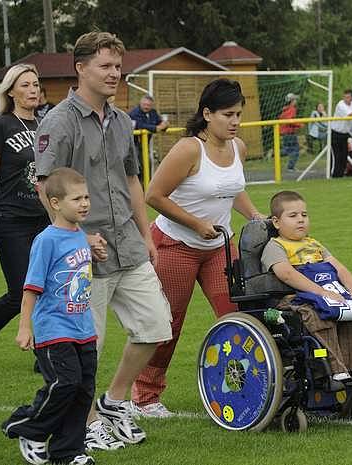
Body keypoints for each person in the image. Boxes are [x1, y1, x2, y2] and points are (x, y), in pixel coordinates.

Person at [34, 31, 172, 451]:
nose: (115, 74)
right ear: (81, 68)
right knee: (84, 345)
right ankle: (88, 421)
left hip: (127, 244)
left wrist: (146, 234)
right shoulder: (58, 122)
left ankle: (113, 403)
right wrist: (73, 236)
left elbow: (131, 179)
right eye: (106, 66)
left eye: (118, 66)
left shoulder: (123, 119)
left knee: (155, 326)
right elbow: (45, 186)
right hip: (80, 254)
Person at [131, 79, 264, 417]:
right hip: (176, 245)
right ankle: (144, 397)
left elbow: (231, 189)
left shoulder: (239, 148)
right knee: (167, 324)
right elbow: (153, 196)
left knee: (239, 317)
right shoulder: (189, 149)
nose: (234, 121)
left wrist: (254, 215)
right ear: (207, 114)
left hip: (220, 247)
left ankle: (251, 388)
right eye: (227, 114)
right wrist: (196, 224)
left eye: (238, 114)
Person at [2, 167, 97, 465]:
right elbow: (30, 288)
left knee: (84, 390)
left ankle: (67, 452)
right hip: (54, 329)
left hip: (83, 327)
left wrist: (96, 251)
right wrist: (24, 328)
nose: (84, 203)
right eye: (76, 199)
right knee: (64, 383)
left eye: (86, 197)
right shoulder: (46, 240)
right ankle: (27, 427)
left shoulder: (80, 234)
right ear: (55, 203)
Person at [261, 191, 352, 384]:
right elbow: (287, 274)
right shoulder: (276, 246)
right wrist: (321, 293)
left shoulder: (314, 244)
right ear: (277, 222)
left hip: (329, 292)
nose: (301, 220)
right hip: (295, 297)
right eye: (293, 216)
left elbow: (338, 267)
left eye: (304, 215)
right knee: (319, 315)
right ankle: (334, 368)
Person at [0, 64, 50, 370]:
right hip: (10, 218)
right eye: (25, 85)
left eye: (35, 84)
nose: (33, 89)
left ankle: (46, 354)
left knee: (48, 288)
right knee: (20, 290)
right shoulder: (1, 125)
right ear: (11, 92)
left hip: (44, 219)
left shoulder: (46, 124)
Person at [128, 94, 169, 181]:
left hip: (144, 144)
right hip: (132, 144)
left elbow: (160, 122)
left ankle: (146, 189)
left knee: (147, 166)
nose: (146, 107)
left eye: (149, 105)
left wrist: (164, 125)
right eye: (144, 105)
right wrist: (156, 128)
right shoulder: (134, 113)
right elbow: (140, 125)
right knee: (136, 168)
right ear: (140, 103)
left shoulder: (153, 112)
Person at [278, 93, 302, 171]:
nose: (296, 101)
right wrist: (299, 125)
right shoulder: (291, 109)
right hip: (289, 133)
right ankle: (290, 167)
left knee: (288, 149)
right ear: (291, 101)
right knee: (295, 150)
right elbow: (290, 121)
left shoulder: (285, 109)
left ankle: (275, 153)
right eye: (294, 100)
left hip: (285, 133)